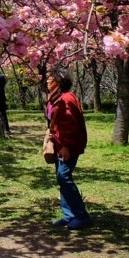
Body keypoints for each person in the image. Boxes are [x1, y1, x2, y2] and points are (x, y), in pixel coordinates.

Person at [46, 67, 89, 229]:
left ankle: (81, 215)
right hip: (59, 144)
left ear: (59, 81)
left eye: (50, 79)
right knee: (61, 178)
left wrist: (67, 146)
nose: (47, 81)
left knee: (63, 176)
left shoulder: (67, 99)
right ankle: (68, 214)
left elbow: (71, 125)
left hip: (67, 146)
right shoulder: (56, 98)